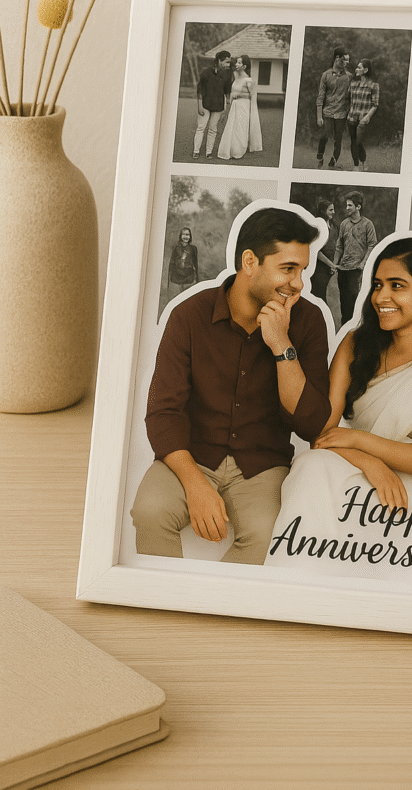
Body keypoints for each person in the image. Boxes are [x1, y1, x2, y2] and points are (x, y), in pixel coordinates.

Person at [265, 237, 412, 581]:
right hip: (369, 469)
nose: (381, 297)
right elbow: (322, 433)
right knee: (312, 465)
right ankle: (294, 588)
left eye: (397, 286)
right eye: (378, 285)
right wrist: (370, 462)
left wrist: (356, 443)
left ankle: (304, 588)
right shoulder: (357, 343)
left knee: (323, 483)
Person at [131, 207, 331, 564]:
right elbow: (163, 412)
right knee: (150, 511)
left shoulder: (309, 321)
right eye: (288, 269)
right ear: (250, 261)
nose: (299, 283)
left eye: (302, 270)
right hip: (192, 455)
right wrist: (195, 486)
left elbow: (310, 423)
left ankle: (209, 614)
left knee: (269, 537)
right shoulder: (189, 316)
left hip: (262, 465)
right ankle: (169, 607)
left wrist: (282, 346)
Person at [334, 190, 377, 326]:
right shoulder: (343, 224)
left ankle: (356, 331)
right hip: (343, 269)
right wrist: (335, 265)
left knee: (355, 303)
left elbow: (372, 245)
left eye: (350, 205)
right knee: (344, 304)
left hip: (357, 270)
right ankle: (343, 334)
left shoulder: (367, 224)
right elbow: (339, 246)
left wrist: (363, 263)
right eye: (347, 205)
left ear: (358, 207)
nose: (347, 208)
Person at [217, 55, 263, 160]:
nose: (236, 64)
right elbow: (232, 93)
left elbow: (253, 96)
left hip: (244, 106)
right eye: (237, 62)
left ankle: (238, 150)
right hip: (235, 106)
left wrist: (240, 97)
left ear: (244, 66)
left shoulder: (249, 80)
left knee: (241, 127)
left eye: (239, 63)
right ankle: (231, 149)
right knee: (232, 128)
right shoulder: (236, 79)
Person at [316, 46, 353, 170]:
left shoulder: (349, 77)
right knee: (324, 136)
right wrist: (319, 116)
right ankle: (320, 157)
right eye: (345, 60)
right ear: (337, 58)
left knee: (338, 140)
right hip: (328, 113)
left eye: (348, 60)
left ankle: (332, 164)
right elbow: (320, 96)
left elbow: (353, 96)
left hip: (342, 114)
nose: (347, 63)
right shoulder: (325, 75)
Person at [194, 51, 232, 160]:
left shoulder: (228, 74)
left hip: (218, 106)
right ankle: (196, 151)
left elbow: (227, 92)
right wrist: (199, 106)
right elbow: (199, 90)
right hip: (205, 105)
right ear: (219, 61)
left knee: (213, 129)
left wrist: (227, 108)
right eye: (226, 62)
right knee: (201, 127)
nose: (228, 65)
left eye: (229, 62)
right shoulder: (206, 73)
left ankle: (208, 152)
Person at [347, 59, 379, 172]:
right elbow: (348, 98)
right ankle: (356, 166)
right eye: (357, 67)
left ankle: (363, 161)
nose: (357, 69)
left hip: (363, 119)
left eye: (359, 67)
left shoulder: (373, 86)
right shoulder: (353, 83)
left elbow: (375, 105)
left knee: (358, 142)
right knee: (353, 141)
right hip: (351, 117)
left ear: (365, 70)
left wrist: (367, 117)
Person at [310, 199, 338, 305]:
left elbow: (336, 247)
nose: (333, 212)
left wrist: (333, 265)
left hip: (329, 270)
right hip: (318, 269)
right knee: (319, 298)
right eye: (330, 210)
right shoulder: (317, 227)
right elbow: (316, 251)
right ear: (322, 211)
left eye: (333, 209)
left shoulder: (334, 227)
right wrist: (331, 264)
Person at [167, 227, 198, 296]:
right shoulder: (176, 248)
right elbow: (172, 263)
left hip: (189, 278)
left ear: (190, 236)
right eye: (184, 234)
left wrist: (196, 278)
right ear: (180, 236)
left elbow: (195, 264)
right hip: (177, 277)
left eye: (188, 235)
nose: (186, 237)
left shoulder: (193, 248)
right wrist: (170, 276)